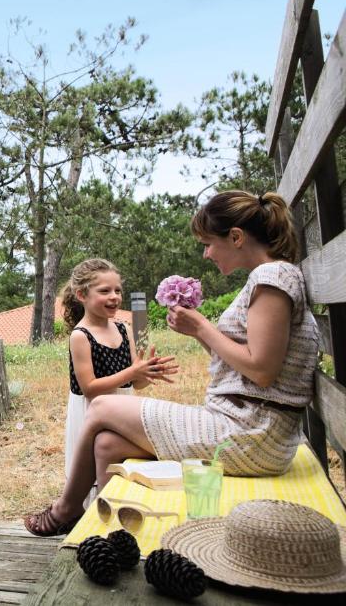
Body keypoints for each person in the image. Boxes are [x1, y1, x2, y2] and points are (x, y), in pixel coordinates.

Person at [24, 190, 319, 536]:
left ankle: (67, 509)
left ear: (236, 237)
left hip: (250, 433)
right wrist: (197, 333)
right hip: (252, 429)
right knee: (107, 443)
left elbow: (262, 371)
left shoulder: (272, 278)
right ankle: (110, 536)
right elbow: (250, 366)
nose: (206, 253)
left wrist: (202, 327)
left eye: (208, 243)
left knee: (103, 406)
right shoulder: (272, 278)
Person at [60, 258, 177, 509]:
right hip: (92, 412)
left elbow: (136, 382)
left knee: (120, 467)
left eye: (117, 290)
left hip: (124, 408)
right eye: (104, 291)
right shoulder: (80, 336)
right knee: (92, 471)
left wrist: (148, 372)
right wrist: (132, 372)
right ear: (81, 294)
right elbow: (89, 387)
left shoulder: (123, 329)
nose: (114, 297)